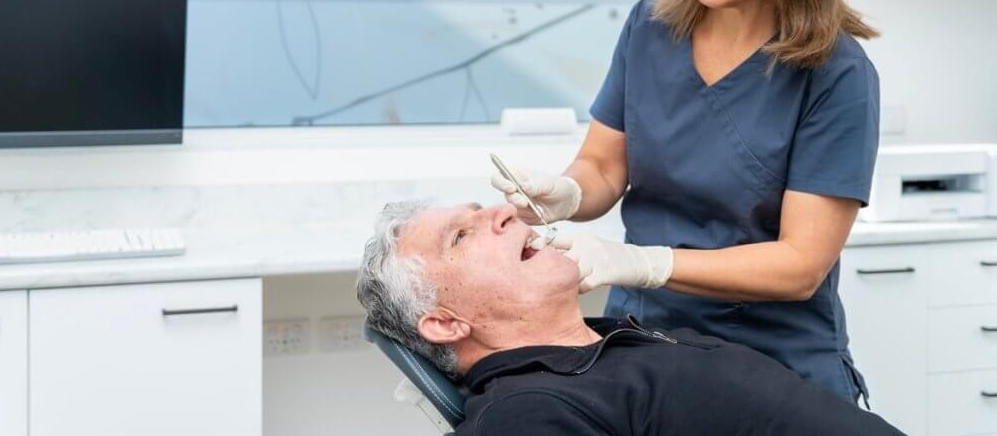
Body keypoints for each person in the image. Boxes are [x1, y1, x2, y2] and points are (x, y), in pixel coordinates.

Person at [490, 0, 881, 403]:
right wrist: (566, 193)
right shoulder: (651, 26)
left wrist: (644, 263)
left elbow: (800, 264)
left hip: (774, 375)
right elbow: (603, 166)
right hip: (642, 351)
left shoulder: (836, 73)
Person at [356, 200, 905, 436]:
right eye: (462, 235)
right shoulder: (526, 412)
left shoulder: (602, 344)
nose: (502, 212)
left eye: (483, 209)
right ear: (445, 323)